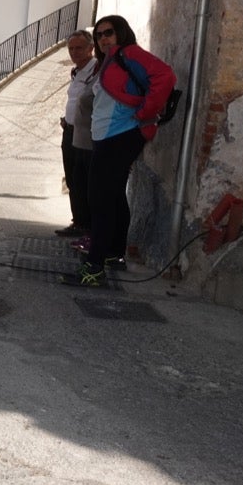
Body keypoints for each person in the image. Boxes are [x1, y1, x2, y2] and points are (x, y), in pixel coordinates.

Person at [62, 15, 176, 288]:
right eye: (99, 34)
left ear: (121, 33)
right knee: (112, 197)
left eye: (108, 33)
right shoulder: (111, 60)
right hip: (107, 136)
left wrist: (146, 112)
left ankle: (94, 267)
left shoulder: (129, 54)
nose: (103, 38)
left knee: (99, 199)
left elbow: (165, 76)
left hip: (121, 135)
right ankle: (113, 253)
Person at [56, 31, 99, 238]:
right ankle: (79, 222)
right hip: (70, 131)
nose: (74, 52)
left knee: (85, 181)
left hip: (86, 134)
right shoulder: (77, 72)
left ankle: (88, 225)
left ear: (91, 48)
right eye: (71, 48)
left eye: (79, 48)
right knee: (72, 179)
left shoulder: (96, 71)